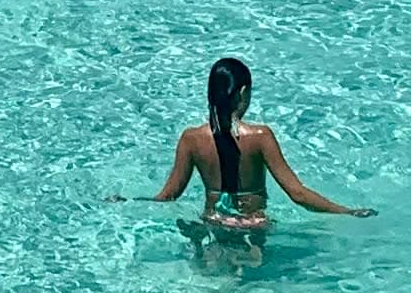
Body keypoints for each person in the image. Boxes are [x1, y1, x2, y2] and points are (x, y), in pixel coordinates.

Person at [153, 55, 371, 230]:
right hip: (253, 226)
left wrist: (131, 200)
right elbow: (297, 193)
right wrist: (345, 211)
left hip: (213, 223)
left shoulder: (190, 139)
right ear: (243, 92)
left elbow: (167, 196)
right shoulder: (260, 136)